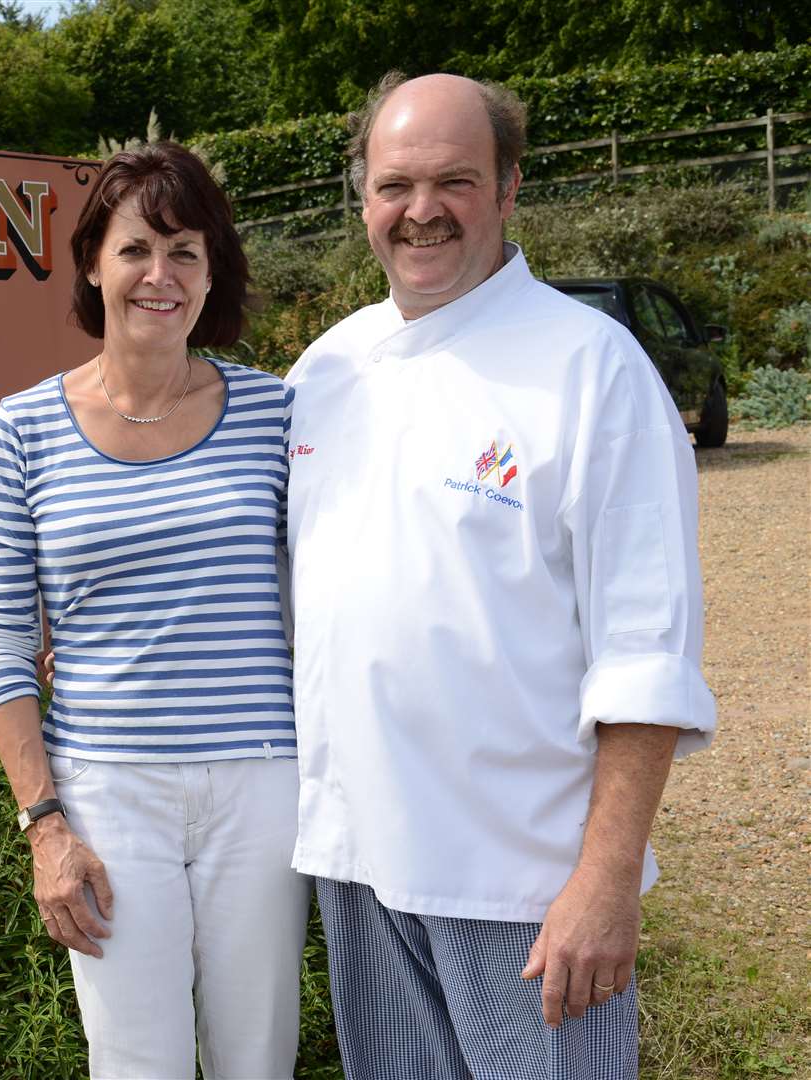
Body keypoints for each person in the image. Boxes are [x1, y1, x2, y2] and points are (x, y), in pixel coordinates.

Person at [282, 72, 716, 1078]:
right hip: (359, 870)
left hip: (524, 888)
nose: (420, 210)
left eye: (455, 181)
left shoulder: (591, 369)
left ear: (510, 188)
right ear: (362, 199)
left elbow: (645, 652)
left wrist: (604, 882)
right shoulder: (325, 373)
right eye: (394, 184)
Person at [0, 141, 308, 1079]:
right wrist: (45, 825)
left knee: (258, 1057)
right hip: (108, 793)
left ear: (211, 275)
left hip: (262, 783)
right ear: (91, 264)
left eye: (186, 252)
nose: (160, 275)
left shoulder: (277, 414)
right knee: (135, 1062)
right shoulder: (21, 429)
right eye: (135, 250)